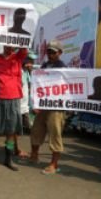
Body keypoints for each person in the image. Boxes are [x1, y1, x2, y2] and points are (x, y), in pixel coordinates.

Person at [30, 40, 67, 175]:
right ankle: (34, 155)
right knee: (36, 130)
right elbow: (38, 86)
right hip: (42, 105)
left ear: (60, 53)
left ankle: (54, 164)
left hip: (56, 107)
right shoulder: (45, 65)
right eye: (49, 51)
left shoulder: (63, 68)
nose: (50, 54)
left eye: (53, 52)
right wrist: (35, 103)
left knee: (55, 134)